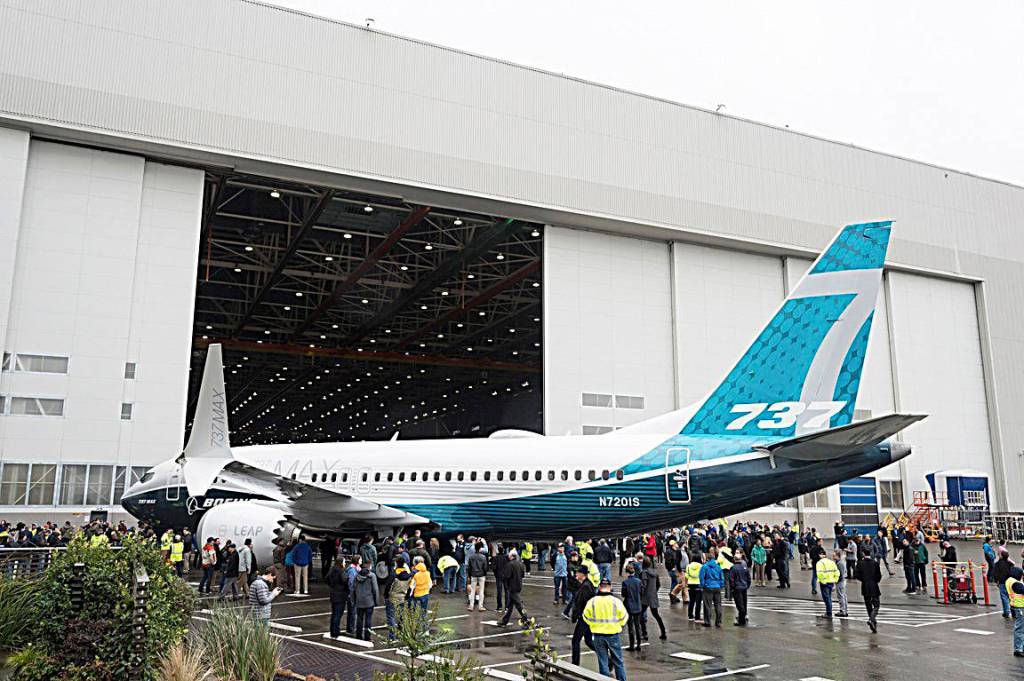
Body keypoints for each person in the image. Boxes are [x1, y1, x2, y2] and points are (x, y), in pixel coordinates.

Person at [583, 579, 628, 680]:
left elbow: (585, 617)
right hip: (613, 634)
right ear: (610, 587)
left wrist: (593, 624)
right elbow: (624, 618)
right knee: (618, 661)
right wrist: (618, 625)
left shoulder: (592, 601)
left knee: (603, 662)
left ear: (600, 587)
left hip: (598, 635)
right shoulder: (616, 601)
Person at [570, 565, 597, 665]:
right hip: (588, 617)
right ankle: (607, 659)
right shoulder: (586, 584)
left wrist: (575, 616)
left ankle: (575, 664)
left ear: (583, 574)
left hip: (585, 618)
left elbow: (580, 603)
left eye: (578, 572)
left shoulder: (585, 586)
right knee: (588, 641)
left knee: (575, 641)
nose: (576, 574)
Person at [498, 550, 529, 627]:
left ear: (512, 556)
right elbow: (522, 575)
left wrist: (505, 583)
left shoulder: (510, 565)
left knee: (518, 604)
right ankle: (505, 621)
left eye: (509, 555)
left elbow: (507, 576)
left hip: (512, 587)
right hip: (518, 585)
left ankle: (525, 617)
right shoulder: (520, 564)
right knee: (510, 605)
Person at [639, 558, 666, 640]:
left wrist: (640, 594)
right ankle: (663, 632)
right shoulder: (655, 573)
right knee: (656, 615)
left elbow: (644, 585)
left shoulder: (644, 572)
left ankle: (644, 634)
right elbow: (658, 585)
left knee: (640, 615)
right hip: (653, 596)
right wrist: (654, 592)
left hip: (645, 597)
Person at [856, 551, 883, 633]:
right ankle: (872, 619)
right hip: (874, 585)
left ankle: (872, 622)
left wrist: (863, 580)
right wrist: (875, 581)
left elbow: (856, 575)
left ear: (864, 554)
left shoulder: (860, 563)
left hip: (865, 586)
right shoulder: (875, 563)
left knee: (868, 605)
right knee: (876, 605)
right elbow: (879, 575)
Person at [353, 561, 379, 641]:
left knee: (359, 619)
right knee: (368, 620)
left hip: (359, 601)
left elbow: (353, 589)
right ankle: (367, 637)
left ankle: (358, 635)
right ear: (369, 567)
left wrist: (353, 600)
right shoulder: (372, 576)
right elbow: (375, 589)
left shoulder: (356, 576)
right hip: (369, 601)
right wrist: (376, 601)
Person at [386, 557, 412, 639]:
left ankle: (392, 636)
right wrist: (407, 596)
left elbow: (388, 586)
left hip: (393, 597)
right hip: (402, 597)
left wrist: (386, 595)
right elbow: (410, 587)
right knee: (401, 616)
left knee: (391, 617)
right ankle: (402, 633)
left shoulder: (394, 575)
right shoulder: (408, 575)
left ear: (396, 564)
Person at [699, 548, 724, 628]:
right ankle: (718, 622)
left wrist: (702, 585)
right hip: (717, 587)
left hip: (708, 587)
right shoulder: (718, 567)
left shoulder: (704, 566)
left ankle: (707, 621)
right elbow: (722, 577)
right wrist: (721, 585)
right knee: (718, 605)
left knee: (707, 605)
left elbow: (701, 577)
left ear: (707, 559)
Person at [620, 564, 643, 651]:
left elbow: (623, 594)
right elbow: (641, 592)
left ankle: (632, 645)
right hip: (638, 605)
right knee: (637, 625)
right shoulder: (638, 581)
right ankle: (639, 644)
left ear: (627, 572)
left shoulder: (625, 582)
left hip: (629, 606)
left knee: (630, 626)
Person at [326, 557, 349, 639]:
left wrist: (332, 586)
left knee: (334, 614)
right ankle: (336, 631)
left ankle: (333, 630)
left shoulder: (332, 570)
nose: (345, 563)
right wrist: (346, 589)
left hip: (333, 593)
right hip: (341, 595)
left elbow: (327, 578)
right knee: (338, 614)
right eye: (344, 562)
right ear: (341, 563)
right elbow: (345, 581)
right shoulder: (341, 571)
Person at [729, 548, 751, 626]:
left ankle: (741, 621)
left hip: (737, 588)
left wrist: (733, 588)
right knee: (744, 603)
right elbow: (748, 578)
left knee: (739, 604)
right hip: (744, 587)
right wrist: (747, 585)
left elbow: (731, 579)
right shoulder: (744, 566)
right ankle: (743, 618)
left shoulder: (733, 568)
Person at [1005, 566, 1024, 657]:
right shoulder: (1015, 583)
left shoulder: (1010, 580)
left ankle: (1020, 647)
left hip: (1017, 606)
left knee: (1021, 629)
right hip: (1020, 607)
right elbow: (1021, 590)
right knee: (1020, 629)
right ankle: (1018, 649)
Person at [815, 551, 840, 618]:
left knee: (826, 598)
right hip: (831, 582)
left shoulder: (819, 563)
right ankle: (829, 612)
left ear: (820, 555)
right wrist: (835, 580)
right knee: (829, 597)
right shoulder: (832, 562)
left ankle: (829, 613)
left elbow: (819, 574)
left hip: (824, 583)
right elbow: (837, 572)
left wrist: (823, 581)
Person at [992, 549, 1015, 618]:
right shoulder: (1010, 564)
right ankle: (1013, 611)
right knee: (1011, 596)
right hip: (1010, 582)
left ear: (1001, 556)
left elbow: (995, 574)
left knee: (1004, 597)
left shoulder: (997, 564)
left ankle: (1006, 612)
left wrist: (996, 581)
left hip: (1002, 582)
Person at [467, 542, 488, 611]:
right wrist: (485, 574)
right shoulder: (483, 557)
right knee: (481, 591)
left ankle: (471, 606)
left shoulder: (471, 557)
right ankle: (480, 606)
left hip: (473, 574)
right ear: (480, 548)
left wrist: (469, 575)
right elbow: (485, 567)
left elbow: (469, 567)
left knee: (472, 591)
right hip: (481, 574)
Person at [685, 551, 703, 621]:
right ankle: (697, 617)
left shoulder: (688, 566)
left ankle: (690, 616)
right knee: (698, 602)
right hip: (698, 584)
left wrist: (686, 583)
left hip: (690, 584)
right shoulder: (701, 566)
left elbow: (686, 576)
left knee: (691, 601)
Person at [832, 549, 849, 617]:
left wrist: (836, 581)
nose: (833, 557)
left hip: (840, 582)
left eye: (834, 556)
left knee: (841, 596)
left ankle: (843, 611)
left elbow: (840, 574)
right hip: (841, 581)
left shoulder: (839, 563)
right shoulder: (839, 562)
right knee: (843, 596)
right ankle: (844, 610)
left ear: (838, 556)